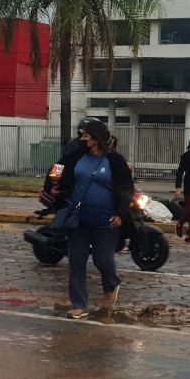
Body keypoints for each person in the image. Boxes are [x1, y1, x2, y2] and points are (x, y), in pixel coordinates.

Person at [54, 120, 133, 319]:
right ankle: (79, 305)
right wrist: (54, 187)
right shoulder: (76, 156)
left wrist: (120, 214)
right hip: (77, 219)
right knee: (76, 261)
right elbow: (58, 169)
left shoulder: (115, 160)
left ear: (96, 138)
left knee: (102, 259)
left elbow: (126, 189)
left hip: (106, 221)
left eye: (85, 136)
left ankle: (112, 283)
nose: (82, 139)